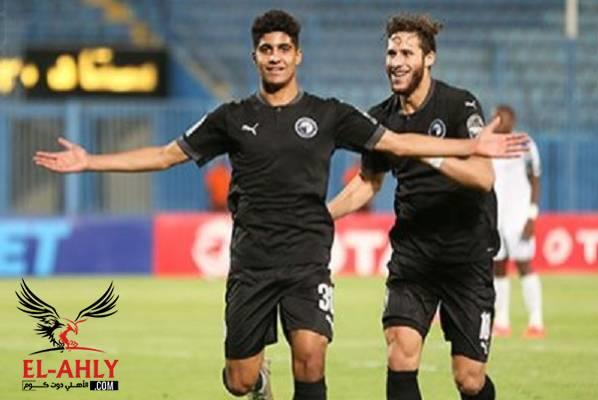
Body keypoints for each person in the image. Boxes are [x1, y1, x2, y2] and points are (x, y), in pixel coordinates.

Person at [34, 10, 525, 400]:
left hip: (326, 261)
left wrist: (470, 146)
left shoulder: (335, 113)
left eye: (284, 48)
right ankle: (257, 383)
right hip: (257, 262)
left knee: (324, 358)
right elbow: (165, 155)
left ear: (298, 55)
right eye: (267, 49)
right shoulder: (231, 118)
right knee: (241, 379)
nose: (275, 57)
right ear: (255, 57)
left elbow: (404, 146)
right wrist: (90, 161)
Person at [328, 14, 512, 400]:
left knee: (469, 380)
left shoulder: (459, 105)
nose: (396, 62)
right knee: (400, 353)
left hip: (467, 257)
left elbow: (483, 177)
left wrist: (424, 150)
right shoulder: (380, 119)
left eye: (406, 53)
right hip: (414, 256)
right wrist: (322, 215)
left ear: (429, 59)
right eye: (391, 53)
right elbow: (369, 182)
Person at [491, 105, 544, 339]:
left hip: (519, 216)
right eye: (495, 117)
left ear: (512, 120)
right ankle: (501, 321)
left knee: (524, 264)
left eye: (501, 117)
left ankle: (536, 321)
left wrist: (532, 214)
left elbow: (535, 178)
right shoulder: (489, 144)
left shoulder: (525, 143)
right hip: (496, 217)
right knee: (498, 267)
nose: (497, 121)